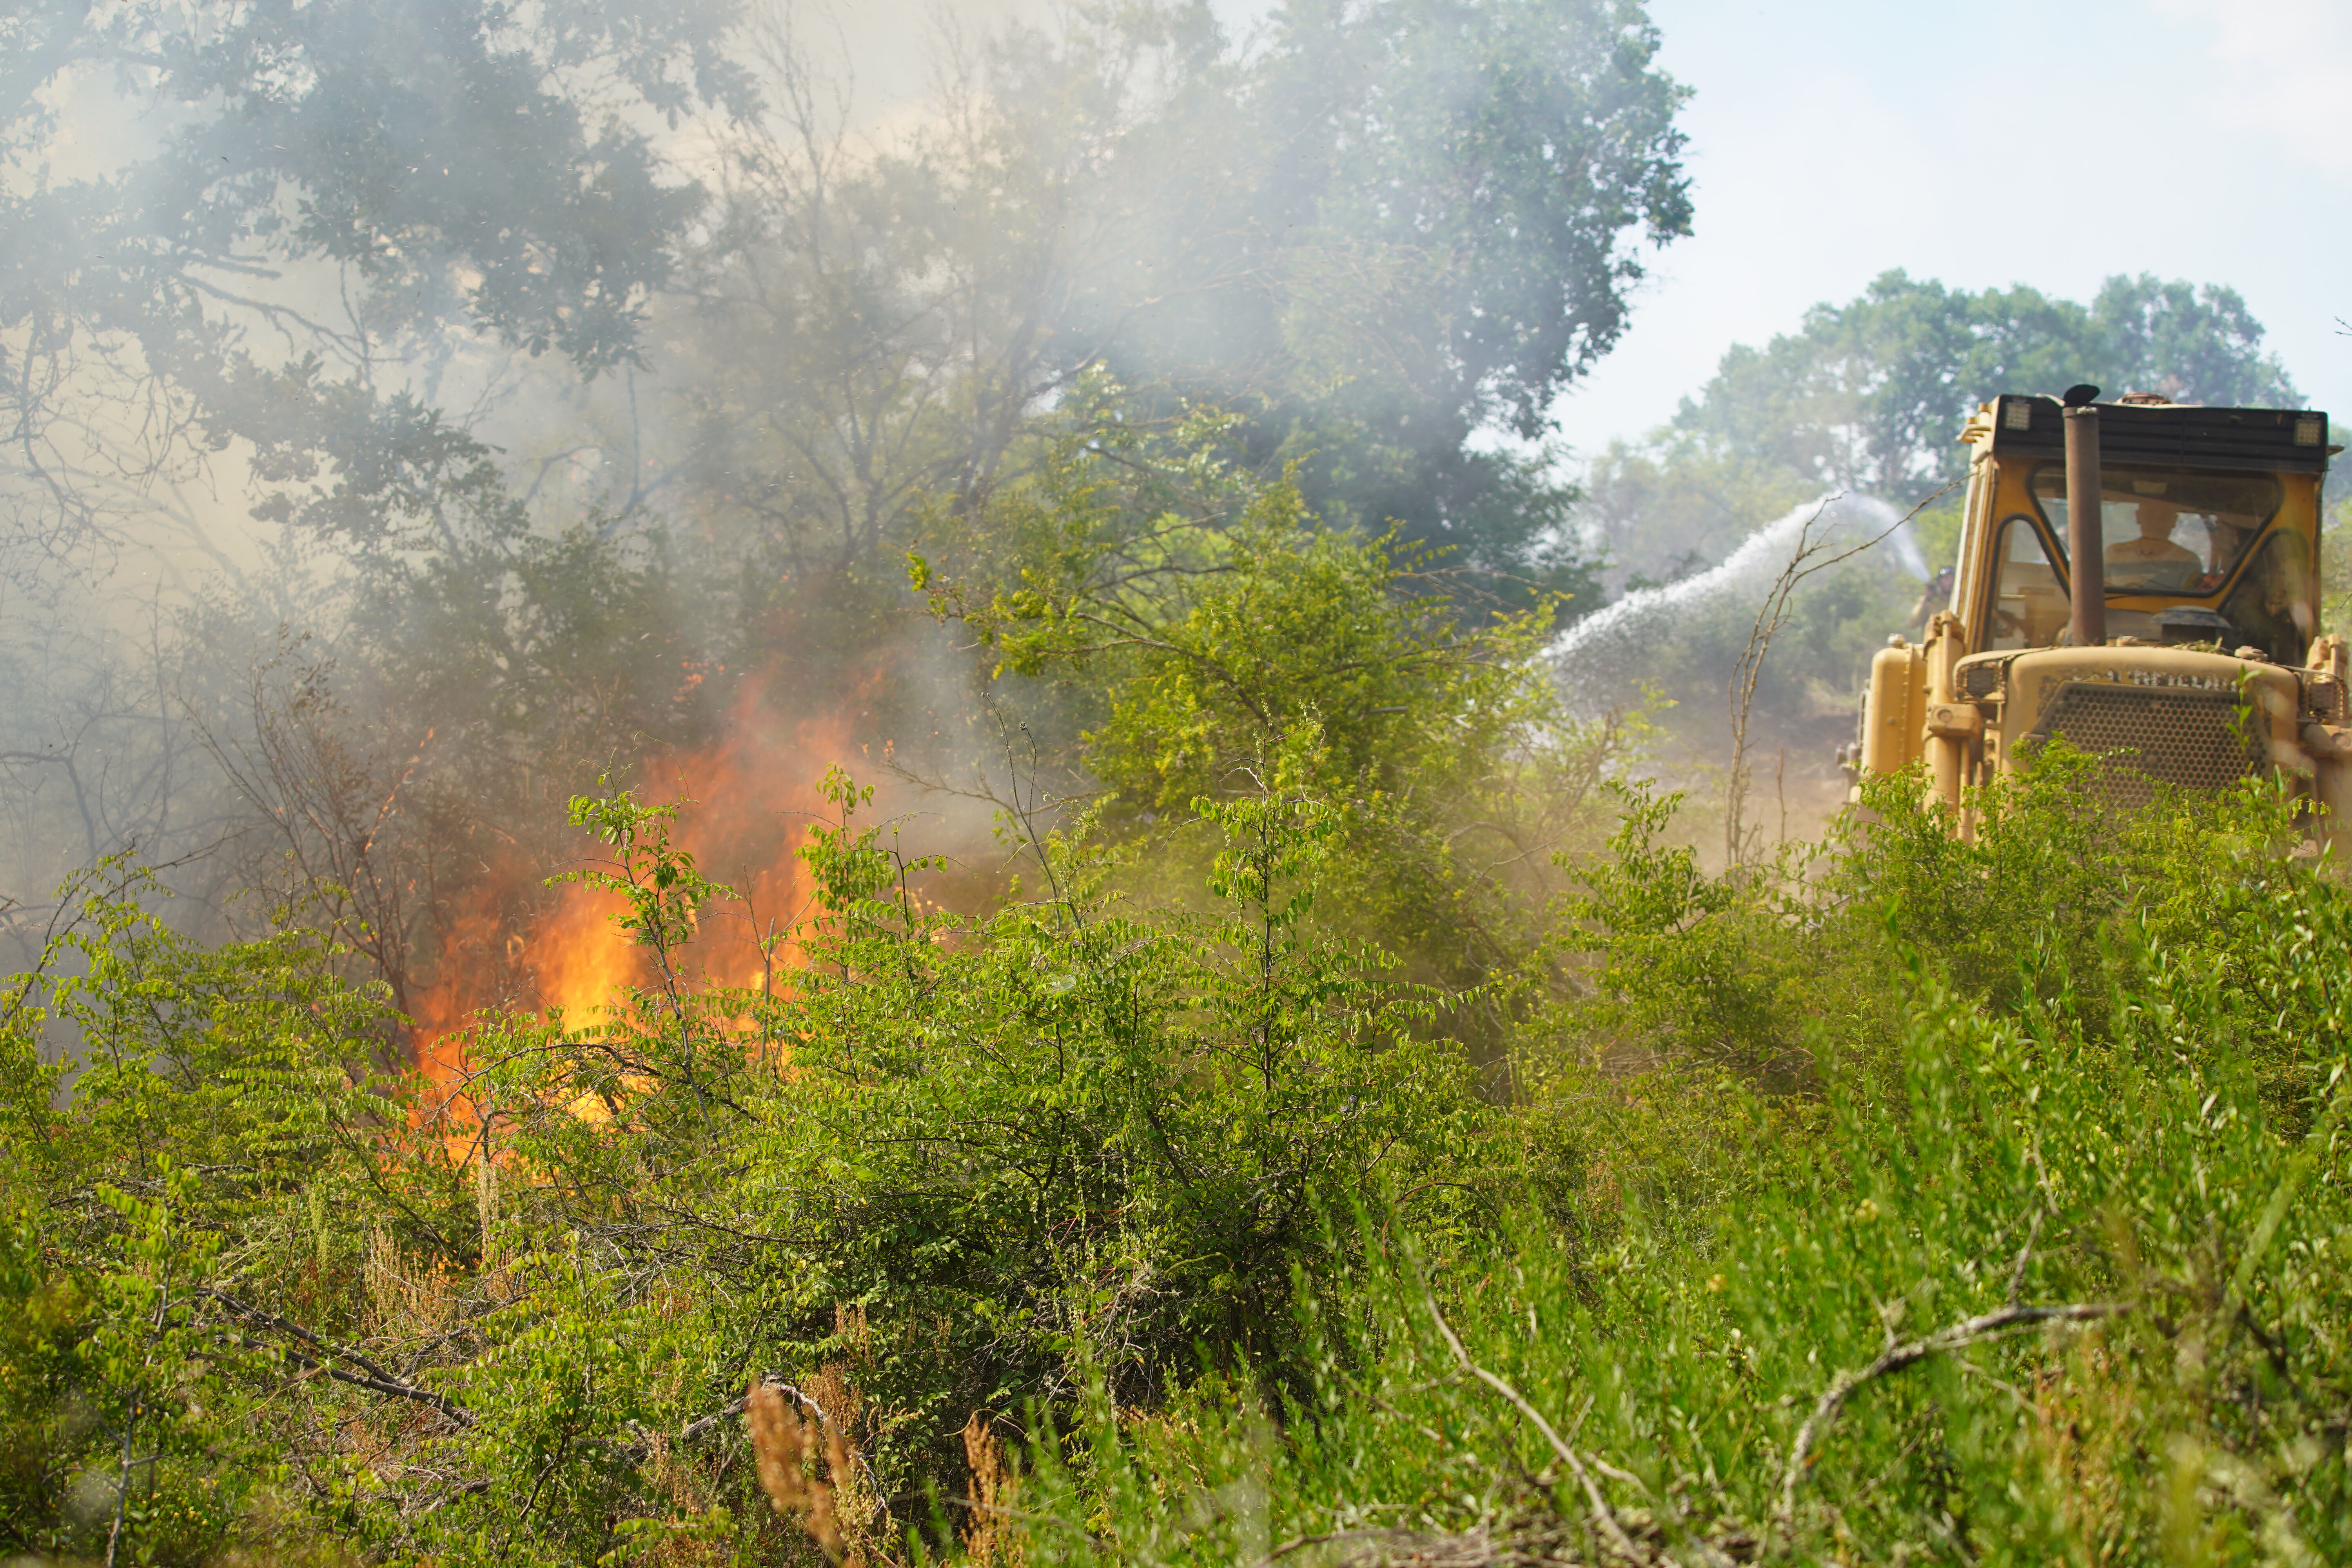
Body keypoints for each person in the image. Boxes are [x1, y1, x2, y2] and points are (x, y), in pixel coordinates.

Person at [2103, 500, 2201, 590]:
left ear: (2174, 521)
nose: (2156, 522)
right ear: (2138, 517)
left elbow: (2190, 601)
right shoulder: (2114, 552)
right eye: (2150, 515)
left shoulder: (2188, 560)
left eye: (2164, 516)